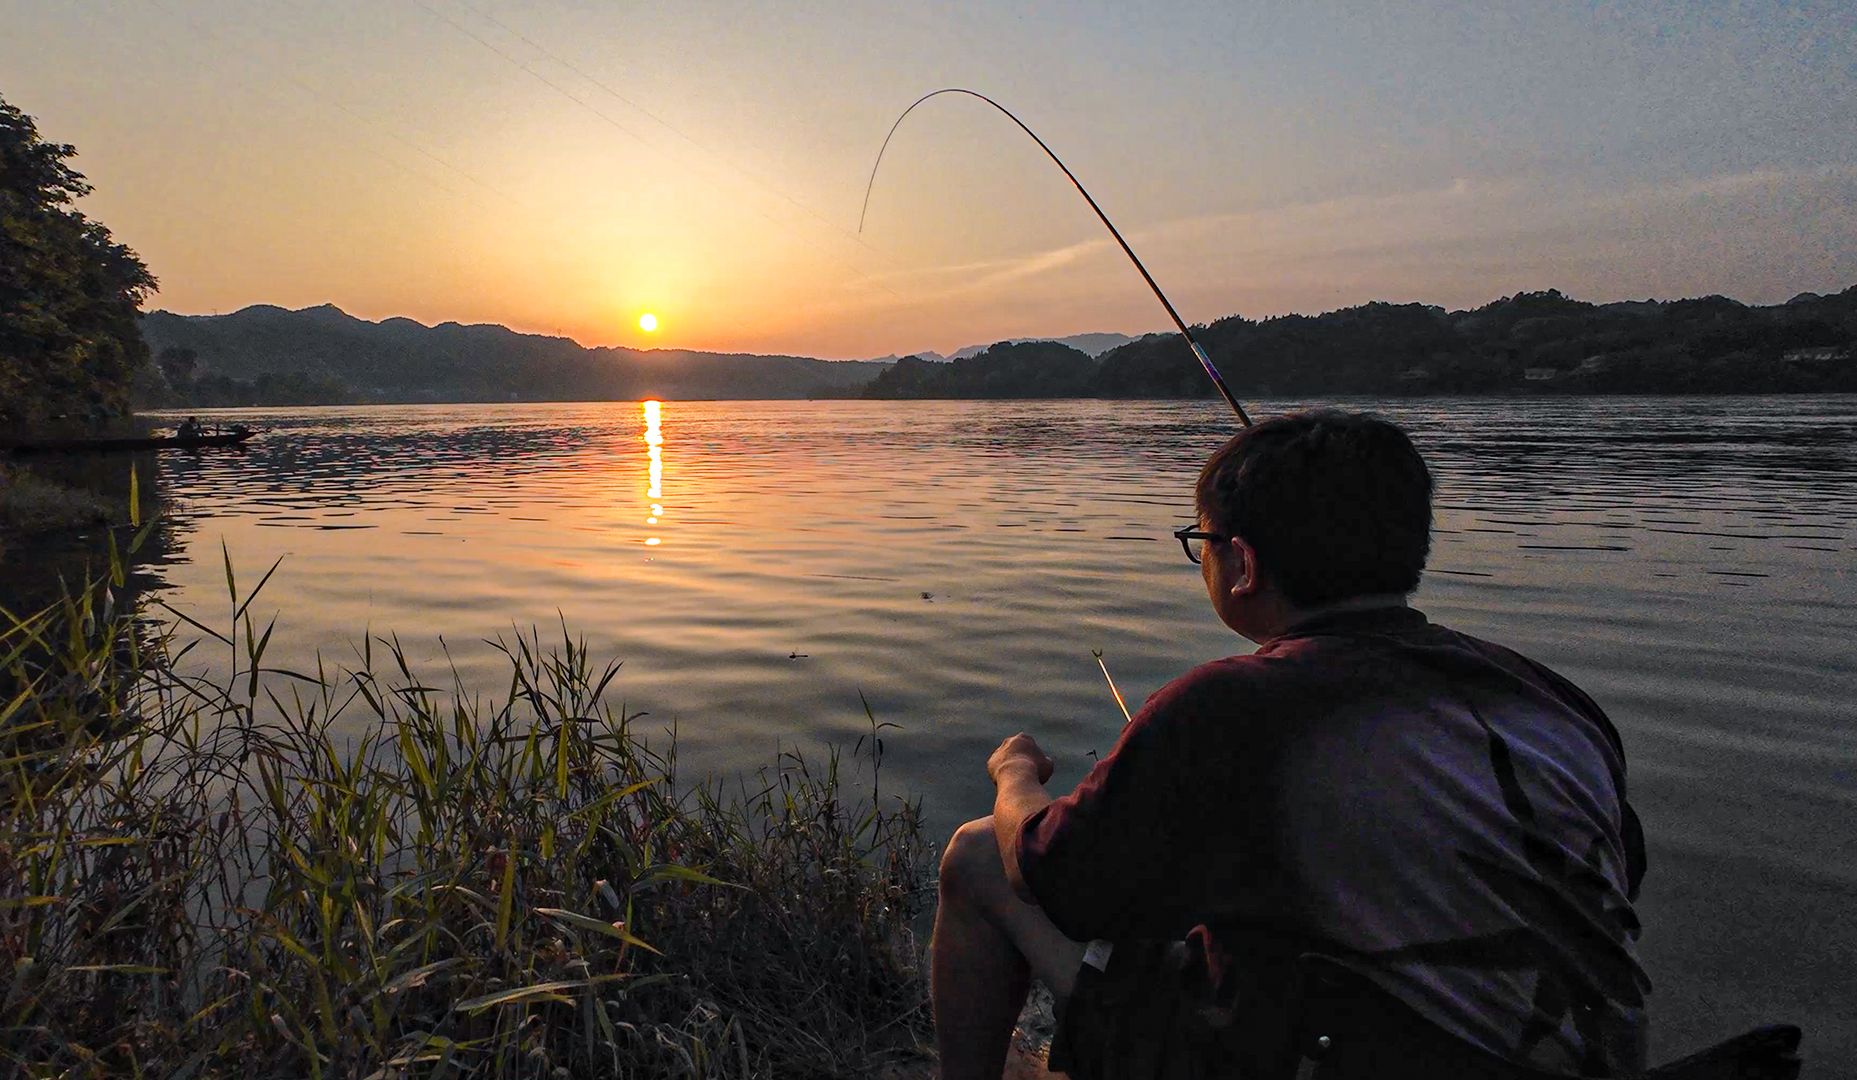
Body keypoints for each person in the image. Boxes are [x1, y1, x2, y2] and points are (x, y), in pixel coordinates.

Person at [931, 410, 1649, 1080]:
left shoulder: (1229, 701)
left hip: (1363, 1060)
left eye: (1201, 544)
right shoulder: (1552, 698)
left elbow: (1047, 876)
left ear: (1241, 563)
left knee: (975, 856)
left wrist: (1013, 773)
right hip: (1586, 1057)